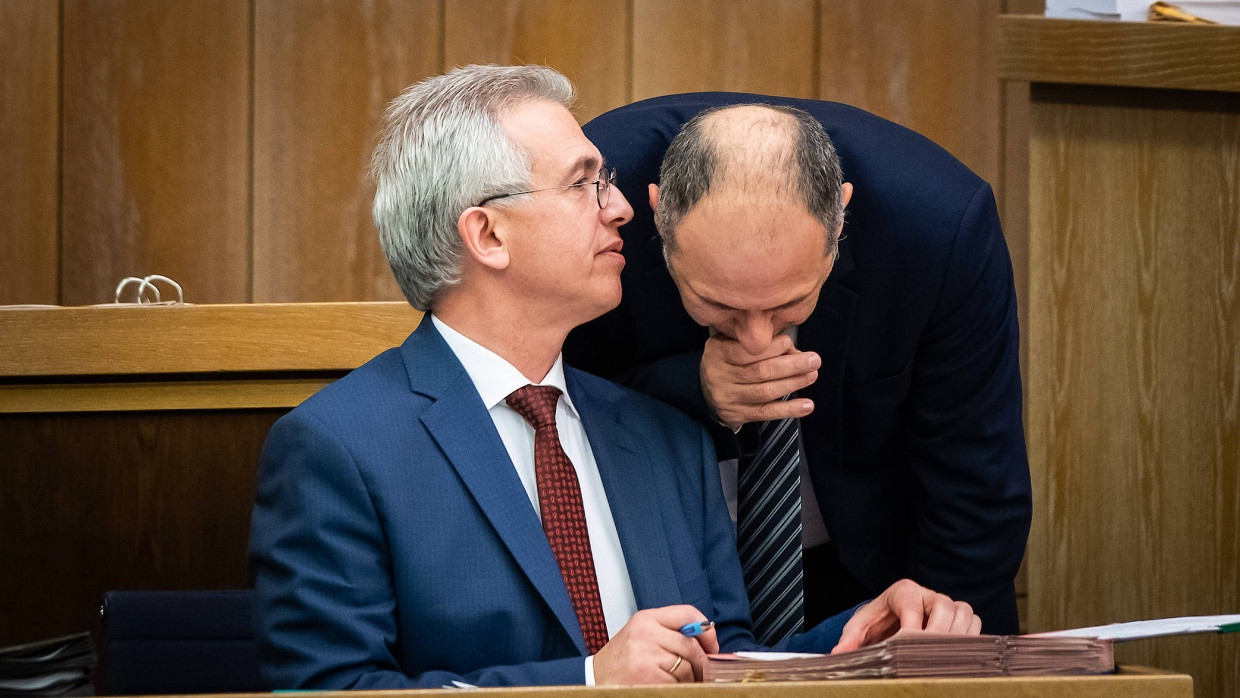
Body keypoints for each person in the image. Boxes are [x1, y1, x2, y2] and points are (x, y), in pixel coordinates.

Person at [248, 65, 982, 691]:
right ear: (488, 235)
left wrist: (862, 637)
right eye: (584, 184)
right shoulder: (337, 448)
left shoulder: (665, 436)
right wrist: (590, 681)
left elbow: (722, 664)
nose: (623, 207)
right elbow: (326, 693)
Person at [564, 96, 1032, 636]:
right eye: (719, 306)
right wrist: (692, 385)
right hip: (652, 589)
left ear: (839, 219)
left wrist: (931, 647)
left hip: (877, 574)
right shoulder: (593, 207)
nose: (760, 341)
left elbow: (976, 486)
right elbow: (547, 400)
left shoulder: (938, 225)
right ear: (657, 212)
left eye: (789, 306)